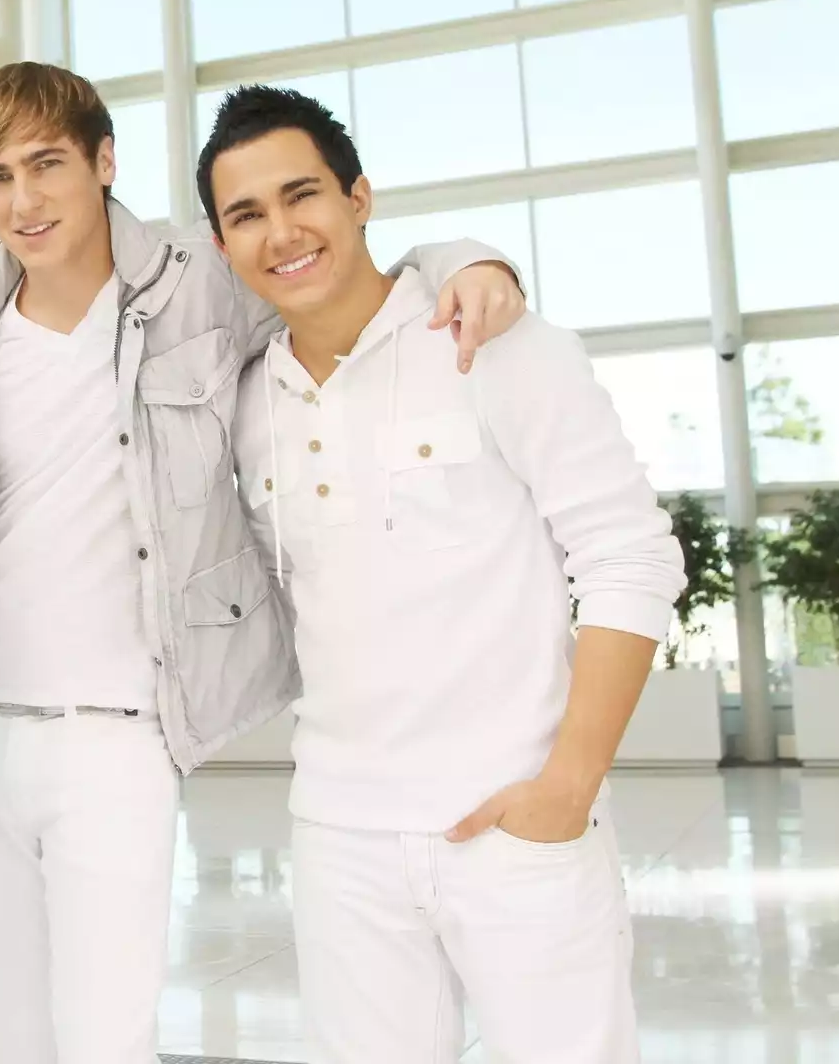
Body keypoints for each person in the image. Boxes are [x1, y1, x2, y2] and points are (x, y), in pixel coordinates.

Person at [0, 61, 527, 1063]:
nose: (23, 200)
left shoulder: (197, 286)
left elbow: (351, 275)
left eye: (47, 164)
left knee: (105, 1043)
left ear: (104, 161)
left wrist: (473, 257)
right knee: (9, 1040)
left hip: (122, 732)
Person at [204, 85, 686, 1064]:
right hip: (340, 835)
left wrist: (568, 786)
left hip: (519, 824)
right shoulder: (243, 399)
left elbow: (630, 555)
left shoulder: (495, 345)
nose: (281, 232)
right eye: (245, 214)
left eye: (302, 194)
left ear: (359, 198)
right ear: (221, 246)